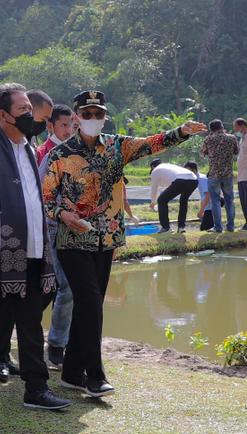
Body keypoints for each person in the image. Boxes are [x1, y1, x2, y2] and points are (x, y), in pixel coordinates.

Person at [42, 90, 204, 397]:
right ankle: (94, 376)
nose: (92, 119)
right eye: (86, 114)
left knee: (90, 307)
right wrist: (65, 215)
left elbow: (152, 143)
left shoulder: (118, 146)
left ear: (104, 117)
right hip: (72, 240)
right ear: (76, 117)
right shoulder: (59, 156)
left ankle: (72, 372)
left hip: (106, 239)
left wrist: (181, 132)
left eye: (98, 114)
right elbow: (47, 199)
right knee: (90, 304)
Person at [0, 83, 71, 410]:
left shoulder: (28, 151)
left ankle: (36, 389)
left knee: (30, 318)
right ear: (3, 115)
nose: (29, 116)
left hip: (32, 250)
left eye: (30, 111)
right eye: (22, 111)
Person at [0, 89, 55, 380]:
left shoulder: (27, 146)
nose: (42, 124)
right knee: (4, 301)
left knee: (32, 301)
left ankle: (13, 361)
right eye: (41, 117)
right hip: (6, 242)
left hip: (35, 238)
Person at [37, 104, 75, 370]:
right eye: (64, 125)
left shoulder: (79, 151)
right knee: (64, 287)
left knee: (64, 288)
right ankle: (56, 345)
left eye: (71, 125)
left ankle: (62, 341)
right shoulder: (44, 153)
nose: (69, 130)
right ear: (51, 126)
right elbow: (40, 193)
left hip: (77, 229)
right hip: (52, 227)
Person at [200, 119, 239, 233]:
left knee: (215, 201)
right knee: (229, 200)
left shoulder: (208, 139)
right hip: (228, 174)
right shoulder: (231, 138)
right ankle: (230, 227)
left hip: (214, 174)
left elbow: (202, 154)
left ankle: (218, 227)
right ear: (222, 126)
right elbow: (236, 152)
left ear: (211, 129)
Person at [148, 158, 200, 233]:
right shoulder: (167, 166)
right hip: (194, 180)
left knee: (161, 200)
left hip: (180, 180)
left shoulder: (155, 171)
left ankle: (166, 228)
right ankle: (181, 227)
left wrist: (153, 202)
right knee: (183, 201)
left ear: (153, 167)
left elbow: (154, 190)